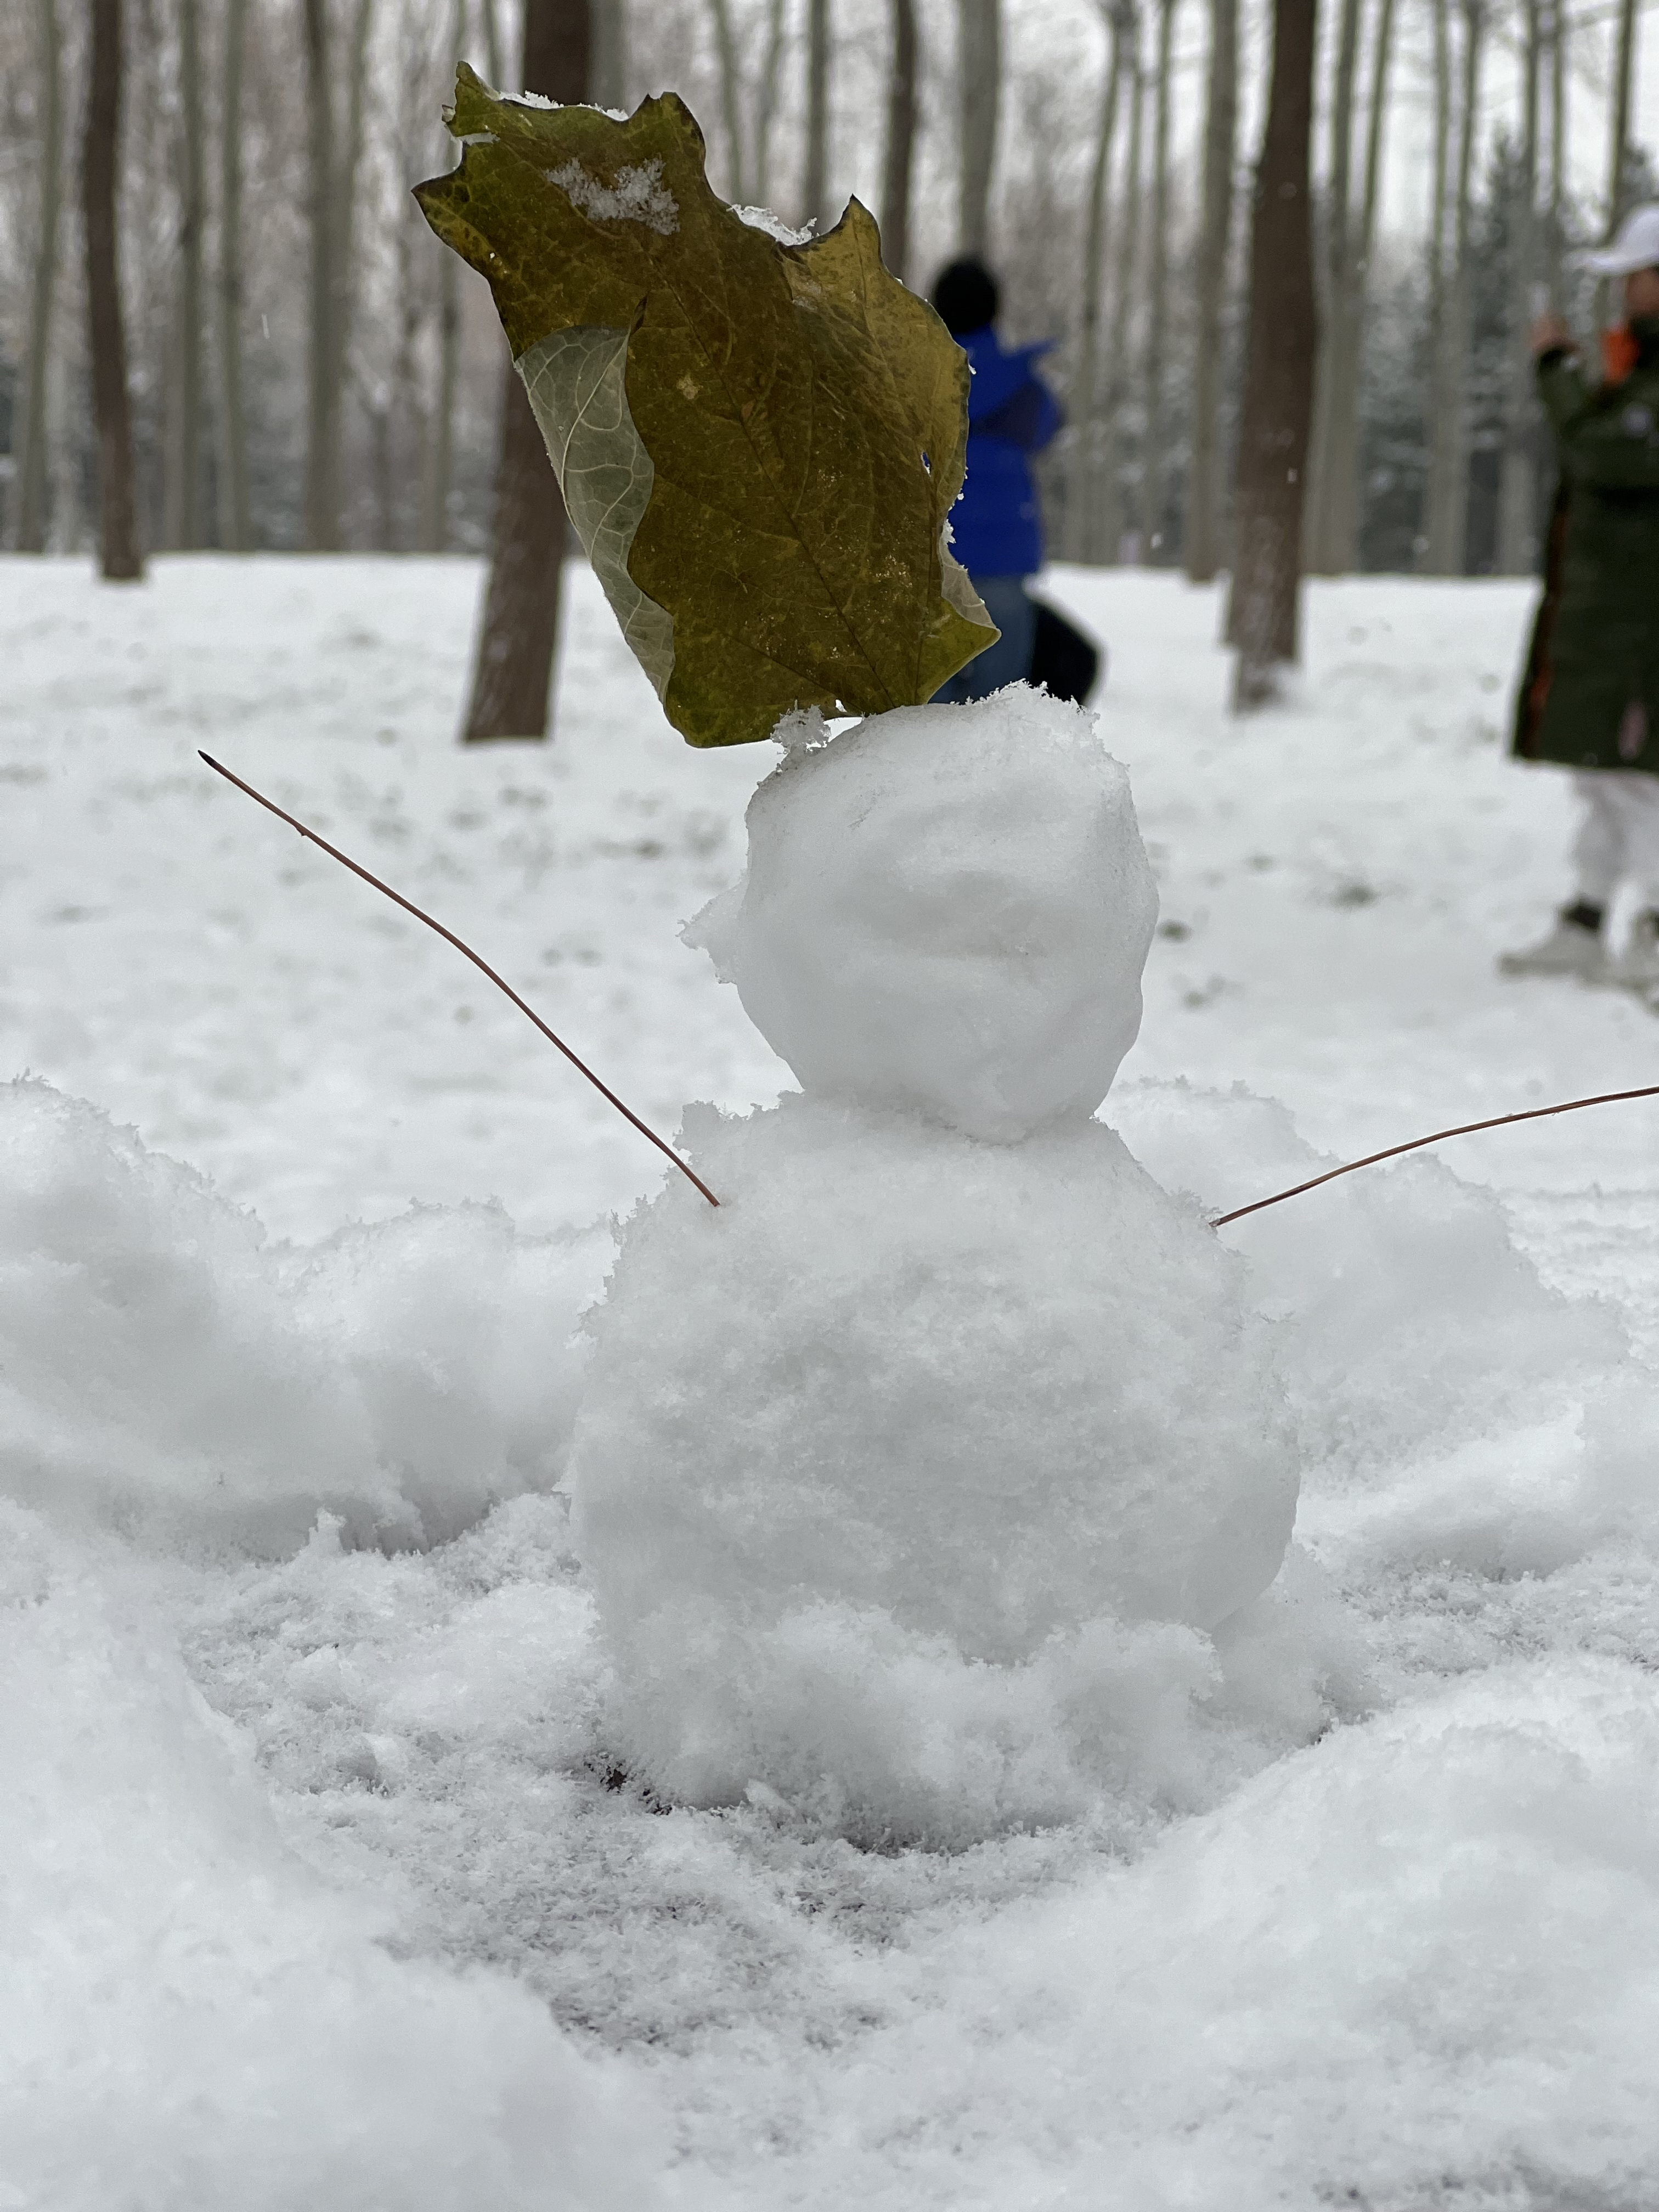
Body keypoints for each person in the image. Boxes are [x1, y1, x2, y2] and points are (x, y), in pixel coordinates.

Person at [1504, 204, 1659, 996]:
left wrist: (1556, 370)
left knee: (1639, 775)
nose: (1627, 292)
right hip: (1612, 610)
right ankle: (1587, 920)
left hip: (1644, 619)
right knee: (1604, 771)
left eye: (1635, 276)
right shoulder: (1637, 368)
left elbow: (1608, 454)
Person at [928, 258, 1099, 705]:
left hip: (928, 566)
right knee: (997, 715)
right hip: (1003, 568)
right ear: (995, 310)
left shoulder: (912, 377)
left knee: (924, 725)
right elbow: (1046, 428)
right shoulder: (1021, 384)